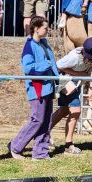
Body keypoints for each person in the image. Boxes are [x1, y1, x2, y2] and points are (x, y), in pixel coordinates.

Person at [9, 16, 58, 160]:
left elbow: (53, 64)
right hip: (37, 89)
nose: (47, 30)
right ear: (36, 29)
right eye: (45, 28)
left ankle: (40, 153)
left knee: (46, 121)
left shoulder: (44, 44)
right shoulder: (29, 46)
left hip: (49, 87)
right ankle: (15, 147)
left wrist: (58, 79)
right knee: (37, 120)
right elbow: (28, 68)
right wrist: (46, 66)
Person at [51, 37, 92, 155]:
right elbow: (57, 66)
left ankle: (44, 131)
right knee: (76, 111)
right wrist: (79, 74)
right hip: (66, 81)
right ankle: (68, 145)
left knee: (63, 111)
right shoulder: (74, 57)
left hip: (76, 84)